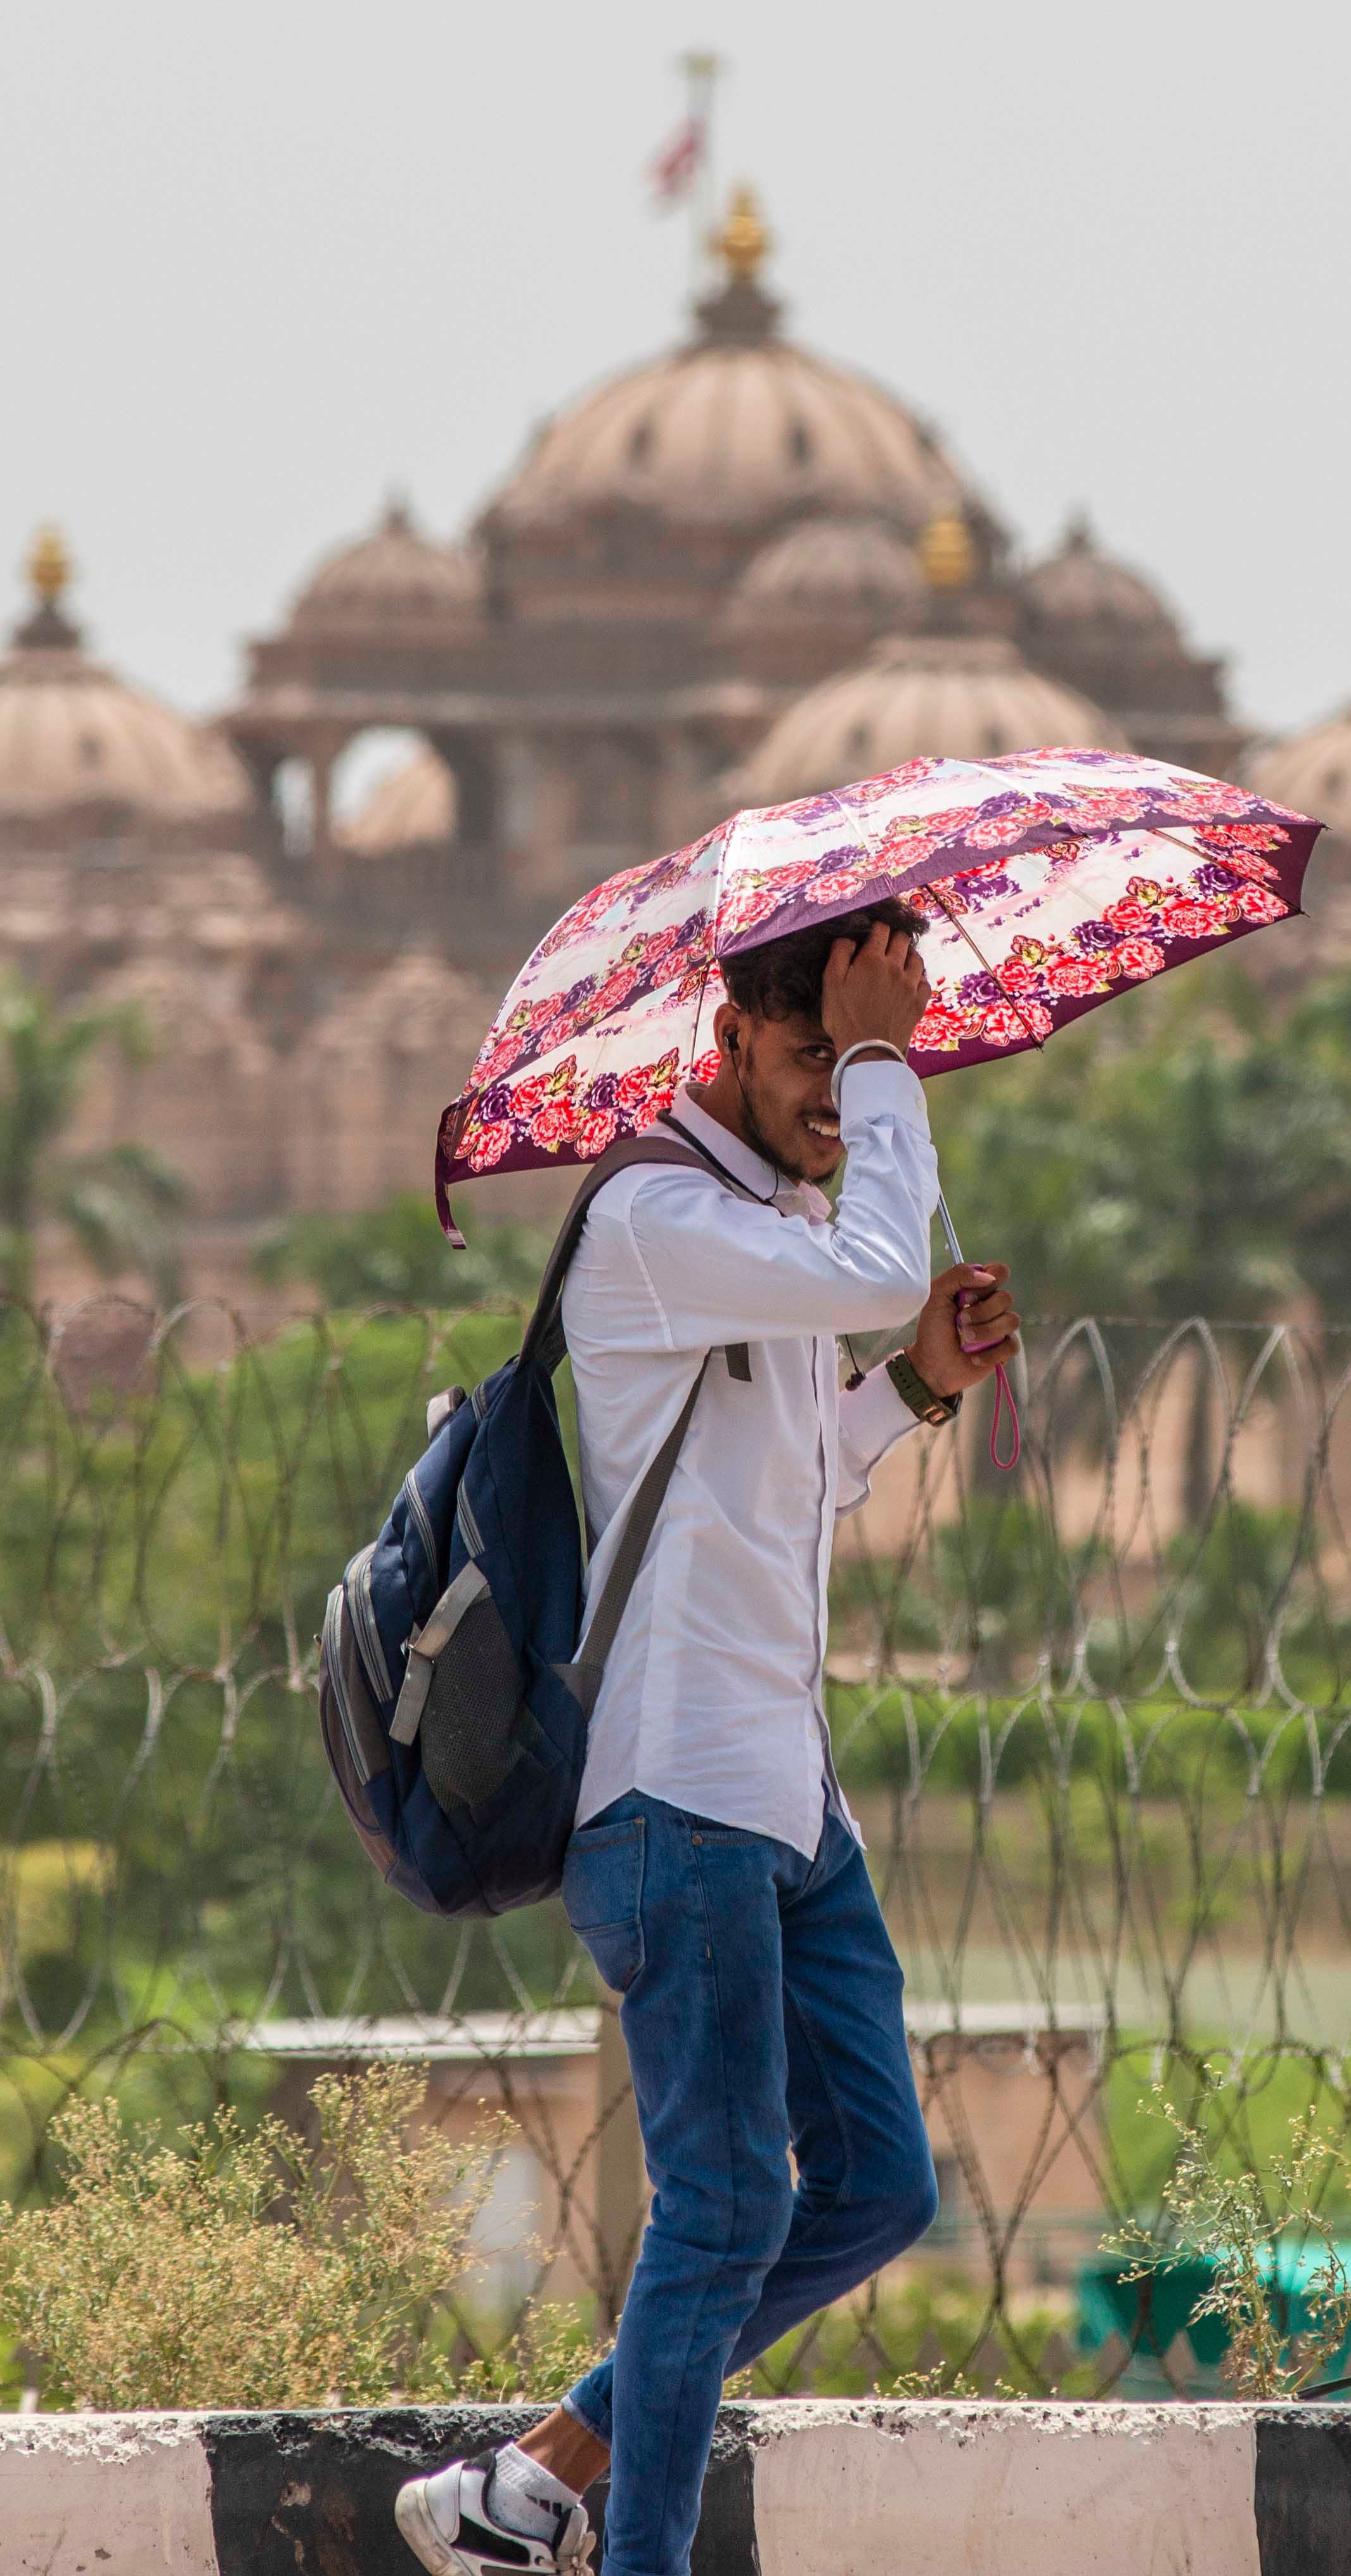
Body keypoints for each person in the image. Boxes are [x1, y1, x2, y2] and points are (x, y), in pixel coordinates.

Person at [397, 901, 1021, 2576]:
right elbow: (880, 1260)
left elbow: (785, 1475)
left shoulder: (762, 1229)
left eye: (858, 1055)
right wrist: (893, 1062)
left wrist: (915, 1388)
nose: (838, 1090)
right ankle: (629, 2555)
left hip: (781, 1800)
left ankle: (535, 2477)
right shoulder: (656, 1218)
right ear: (730, 1040)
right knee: (732, 2207)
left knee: (878, 2191)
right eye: (814, 1051)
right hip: (676, 1800)